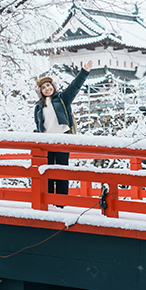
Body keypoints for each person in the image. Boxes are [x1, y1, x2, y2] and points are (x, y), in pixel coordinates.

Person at [34, 61, 92, 197]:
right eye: (43, 87)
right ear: (40, 91)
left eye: (48, 85)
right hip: (46, 142)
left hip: (62, 138)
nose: (47, 89)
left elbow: (74, 87)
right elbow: (38, 125)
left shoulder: (62, 99)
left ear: (53, 86)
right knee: (47, 172)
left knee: (61, 170)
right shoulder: (38, 106)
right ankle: (47, 200)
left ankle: (61, 202)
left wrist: (84, 72)